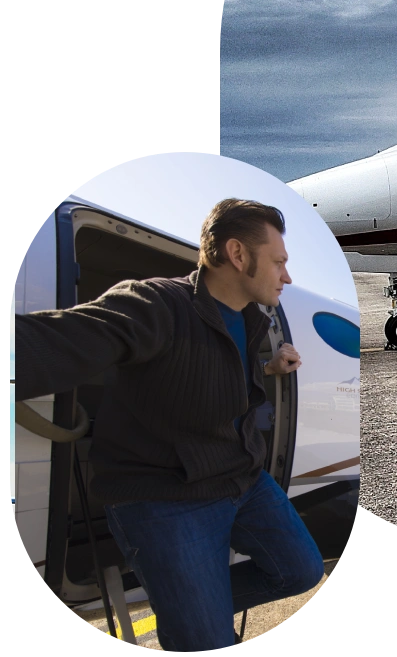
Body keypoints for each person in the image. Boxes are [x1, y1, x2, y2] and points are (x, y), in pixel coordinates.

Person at [15, 199, 325, 651]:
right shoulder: (156, 303)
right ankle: (193, 622)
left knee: (301, 571)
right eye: (279, 262)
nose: (287, 275)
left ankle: (190, 610)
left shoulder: (251, 320)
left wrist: (268, 368)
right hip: (165, 497)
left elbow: (211, 373)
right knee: (207, 642)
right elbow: (55, 342)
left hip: (242, 478)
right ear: (238, 255)